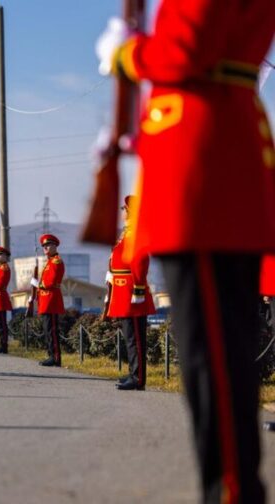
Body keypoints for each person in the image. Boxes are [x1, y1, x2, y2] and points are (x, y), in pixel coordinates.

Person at [98, 2, 275, 500]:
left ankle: (232, 491)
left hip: (199, 166)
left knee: (212, 358)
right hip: (213, 149)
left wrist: (128, 54)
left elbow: (181, 51)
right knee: (221, 353)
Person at [104, 196, 155, 391]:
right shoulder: (126, 234)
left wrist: (139, 289)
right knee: (130, 336)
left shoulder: (135, 234)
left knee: (135, 337)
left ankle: (138, 377)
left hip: (132, 292)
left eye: (123, 208)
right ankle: (134, 372)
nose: (121, 211)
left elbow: (140, 262)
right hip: (122, 290)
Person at [33, 234, 65, 367]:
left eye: (48, 245)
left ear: (55, 246)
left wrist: (38, 284)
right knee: (48, 330)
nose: (45, 248)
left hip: (51, 300)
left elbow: (50, 281)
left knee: (52, 330)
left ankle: (55, 357)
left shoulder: (56, 261)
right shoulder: (49, 262)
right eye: (44, 246)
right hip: (46, 300)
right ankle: (51, 354)